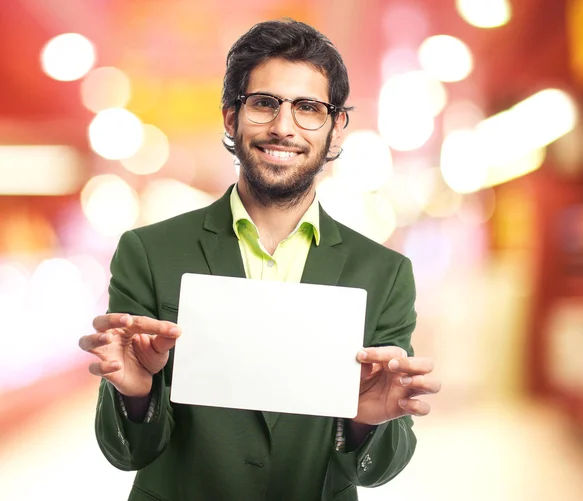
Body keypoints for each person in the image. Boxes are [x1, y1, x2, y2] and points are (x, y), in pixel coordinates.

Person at [78, 18, 441, 501]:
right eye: (265, 103)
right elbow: (128, 454)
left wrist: (362, 424)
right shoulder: (149, 252)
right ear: (231, 117)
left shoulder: (385, 274)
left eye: (309, 108)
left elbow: (376, 471)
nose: (283, 127)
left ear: (336, 129)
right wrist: (137, 395)